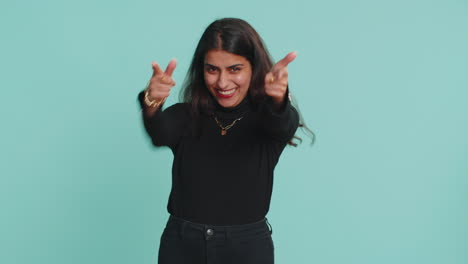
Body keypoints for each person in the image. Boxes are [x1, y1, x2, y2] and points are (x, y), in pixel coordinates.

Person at [138, 18, 308, 264]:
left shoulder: (266, 119)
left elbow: (282, 124)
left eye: (235, 69)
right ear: (202, 69)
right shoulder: (187, 115)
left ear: (254, 67)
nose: (222, 82)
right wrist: (152, 101)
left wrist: (278, 100)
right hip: (182, 245)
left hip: (246, 249)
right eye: (212, 69)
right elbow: (159, 133)